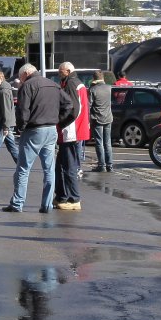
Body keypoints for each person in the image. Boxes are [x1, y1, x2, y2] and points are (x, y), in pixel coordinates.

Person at [5, 64, 62, 214]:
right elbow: (68, 105)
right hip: (51, 129)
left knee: (23, 168)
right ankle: (47, 205)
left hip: (34, 130)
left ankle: (17, 203)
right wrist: (59, 121)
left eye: (20, 76)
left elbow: (23, 110)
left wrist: (21, 128)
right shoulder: (53, 85)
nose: (20, 79)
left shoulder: (27, 86)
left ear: (25, 73)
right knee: (49, 169)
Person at [54, 62, 88, 211]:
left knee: (68, 166)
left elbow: (73, 109)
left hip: (70, 131)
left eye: (60, 71)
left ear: (68, 71)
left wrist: (60, 122)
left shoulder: (71, 84)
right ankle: (62, 196)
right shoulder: (76, 83)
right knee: (62, 166)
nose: (58, 73)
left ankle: (74, 198)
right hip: (74, 130)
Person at [88, 71, 114, 172]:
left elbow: (89, 105)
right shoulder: (109, 88)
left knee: (99, 142)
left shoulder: (93, 89)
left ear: (94, 79)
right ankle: (109, 165)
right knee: (108, 142)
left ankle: (101, 165)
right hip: (108, 117)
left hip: (97, 118)